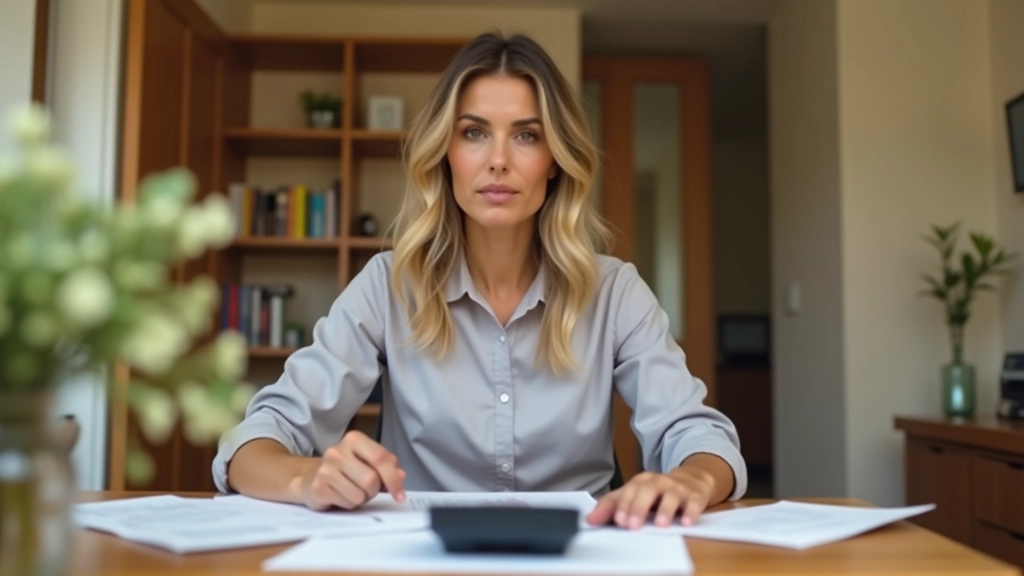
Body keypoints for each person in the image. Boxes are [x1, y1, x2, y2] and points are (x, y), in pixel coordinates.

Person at [213, 32, 746, 530]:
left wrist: (690, 478)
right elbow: (257, 440)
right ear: (446, 154)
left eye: (526, 135)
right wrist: (306, 477)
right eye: (473, 133)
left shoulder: (615, 292)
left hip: (583, 553)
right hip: (422, 553)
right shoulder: (387, 285)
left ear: (555, 159)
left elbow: (694, 432)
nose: (497, 161)